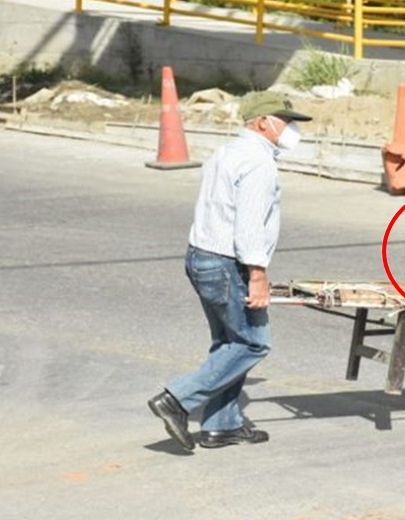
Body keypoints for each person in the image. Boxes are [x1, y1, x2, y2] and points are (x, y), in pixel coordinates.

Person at [148, 91, 312, 451]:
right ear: (263, 123)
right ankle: (176, 400)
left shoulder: (227, 152)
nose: (293, 129)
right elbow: (249, 227)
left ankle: (222, 425)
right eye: (286, 122)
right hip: (227, 263)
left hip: (202, 257)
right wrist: (258, 276)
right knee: (253, 343)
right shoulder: (258, 164)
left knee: (228, 343)